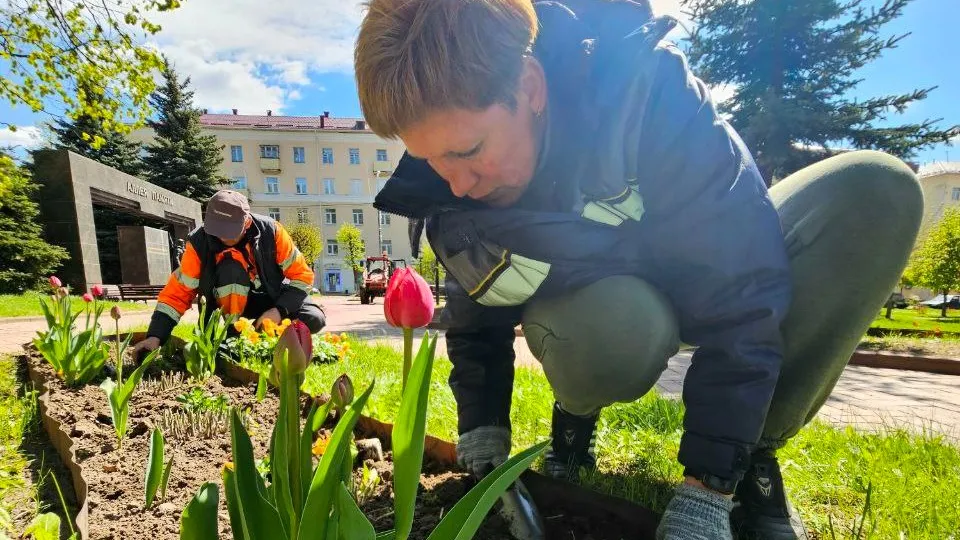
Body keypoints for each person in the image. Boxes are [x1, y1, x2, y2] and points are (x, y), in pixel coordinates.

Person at [356, 0, 923, 538]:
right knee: (616, 330)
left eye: (467, 151)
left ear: (529, 87)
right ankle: (576, 415)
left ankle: (750, 454)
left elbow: (745, 290)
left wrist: (707, 489)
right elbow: (478, 306)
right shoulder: (455, 185)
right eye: (433, 160)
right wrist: (481, 430)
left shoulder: (652, 96)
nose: (456, 183)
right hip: (615, 304)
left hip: (712, 257)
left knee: (875, 189)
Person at [132, 190, 325, 356]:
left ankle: (260, 338)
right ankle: (233, 337)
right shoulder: (199, 243)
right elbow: (177, 294)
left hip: (271, 299)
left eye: (230, 230)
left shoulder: (272, 232)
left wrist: (278, 311)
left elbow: (302, 276)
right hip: (230, 309)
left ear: (247, 222)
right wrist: (155, 336)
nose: (223, 236)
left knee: (314, 318)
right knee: (231, 269)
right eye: (218, 229)